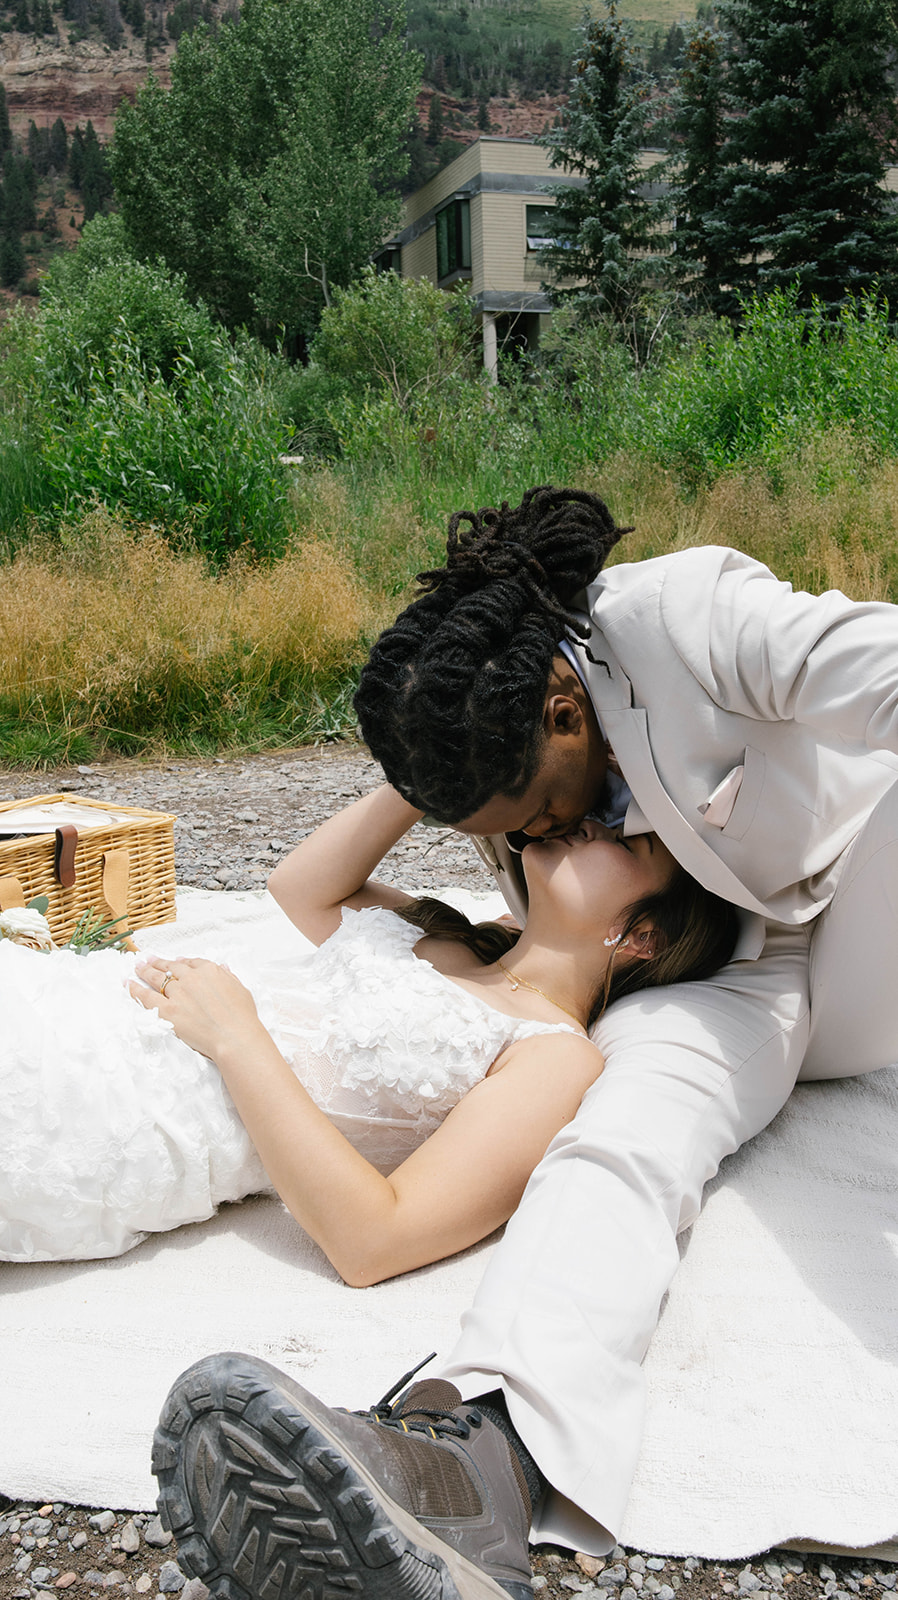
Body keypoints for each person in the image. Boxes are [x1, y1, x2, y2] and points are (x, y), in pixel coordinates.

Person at [153, 485, 898, 1600]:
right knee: (623, 1139)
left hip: (843, 914)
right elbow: (335, 875)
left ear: (563, 712)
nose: (539, 839)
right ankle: (471, 1468)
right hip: (682, 973)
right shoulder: (497, 749)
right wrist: (425, 757)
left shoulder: (683, 617)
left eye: (538, 815)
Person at [0, 781, 735, 1268]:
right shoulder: (455, 936)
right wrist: (432, 773)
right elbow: (300, 886)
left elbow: (374, 1241)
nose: (587, 823)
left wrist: (236, 1038)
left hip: (110, 1112)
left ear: (644, 938)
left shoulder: (555, 1058)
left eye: (621, 838)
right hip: (83, 1003)